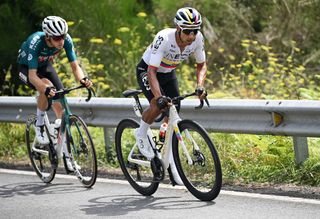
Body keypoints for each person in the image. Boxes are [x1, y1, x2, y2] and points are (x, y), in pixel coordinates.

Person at [135, 7, 208, 185]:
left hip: (168, 73)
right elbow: (152, 71)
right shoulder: (164, 38)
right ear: (178, 28)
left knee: (174, 112)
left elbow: (201, 65)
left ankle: (172, 164)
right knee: (158, 104)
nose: (191, 36)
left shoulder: (197, 39)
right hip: (148, 71)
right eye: (187, 31)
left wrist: (200, 86)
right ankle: (141, 133)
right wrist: (159, 97)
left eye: (195, 31)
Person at [17, 16, 92, 170]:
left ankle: (66, 155)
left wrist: (83, 79)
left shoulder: (66, 40)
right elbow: (32, 76)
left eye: (63, 36)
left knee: (62, 108)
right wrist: (45, 89)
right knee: (45, 87)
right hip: (26, 69)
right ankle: (39, 124)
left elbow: (75, 66)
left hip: (44, 66)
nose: (61, 41)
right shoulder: (35, 41)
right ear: (48, 36)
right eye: (57, 38)